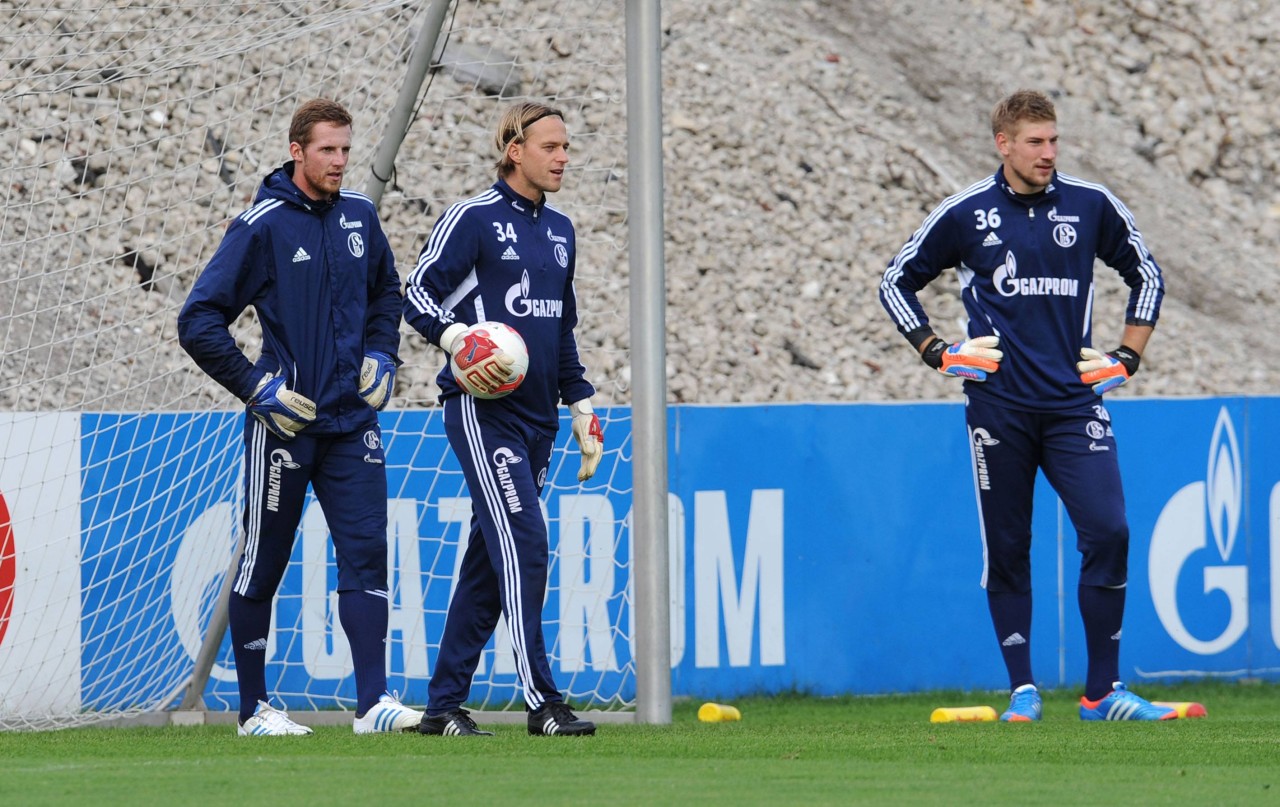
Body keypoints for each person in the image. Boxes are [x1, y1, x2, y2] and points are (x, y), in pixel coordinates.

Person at [878, 89, 1174, 722]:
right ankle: (1023, 690)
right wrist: (937, 351)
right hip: (999, 410)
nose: (1049, 153)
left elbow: (1147, 273)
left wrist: (1126, 357)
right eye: (1035, 142)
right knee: (1009, 548)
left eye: (1054, 140)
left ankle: (1102, 692)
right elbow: (894, 280)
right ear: (1003, 144)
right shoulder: (965, 213)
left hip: (1074, 406)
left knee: (1111, 531)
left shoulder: (1091, 205)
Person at [177, 98, 422, 736]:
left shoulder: (361, 217)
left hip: (352, 426)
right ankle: (254, 710)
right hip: (285, 428)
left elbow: (387, 293)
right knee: (265, 559)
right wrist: (257, 388)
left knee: (367, 556)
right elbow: (198, 320)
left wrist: (381, 354)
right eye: (327, 150)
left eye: (346, 149)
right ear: (298, 151)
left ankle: (373, 706)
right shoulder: (261, 225)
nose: (340, 161)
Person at [403, 101, 604, 737]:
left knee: (489, 567)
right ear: (515, 150)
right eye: (551, 146)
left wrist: (581, 400)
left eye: (566, 146)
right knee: (525, 542)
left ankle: (442, 709)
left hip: (540, 421)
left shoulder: (562, 230)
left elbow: (561, 326)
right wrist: (454, 335)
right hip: (483, 412)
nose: (563, 156)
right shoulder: (474, 219)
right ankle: (541, 701)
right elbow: (415, 292)